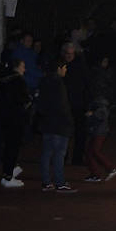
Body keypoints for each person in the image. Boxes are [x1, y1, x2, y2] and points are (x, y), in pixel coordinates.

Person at [0, 60, 31, 187]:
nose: (24, 70)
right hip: (12, 118)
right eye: (23, 67)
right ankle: (8, 175)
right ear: (18, 67)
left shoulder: (1, 80)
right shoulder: (18, 81)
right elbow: (23, 101)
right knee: (11, 147)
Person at [37, 59, 78, 193]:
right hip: (59, 124)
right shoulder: (58, 83)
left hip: (47, 122)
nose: (65, 70)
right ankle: (60, 183)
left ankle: (46, 182)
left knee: (47, 152)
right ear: (59, 68)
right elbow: (63, 105)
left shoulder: (43, 81)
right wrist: (69, 122)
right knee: (59, 153)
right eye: (64, 68)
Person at [84, 56, 116, 183]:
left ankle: (110, 168)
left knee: (94, 151)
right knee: (90, 151)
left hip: (99, 129)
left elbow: (102, 113)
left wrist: (91, 114)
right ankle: (95, 174)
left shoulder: (99, 97)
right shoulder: (102, 92)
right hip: (98, 128)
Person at [61, 43, 91, 165]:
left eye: (71, 54)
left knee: (80, 132)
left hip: (78, 103)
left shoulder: (81, 67)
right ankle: (62, 157)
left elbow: (87, 86)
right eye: (67, 53)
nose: (68, 56)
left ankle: (77, 158)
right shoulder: (61, 66)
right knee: (64, 132)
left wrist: (87, 104)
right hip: (65, 104)